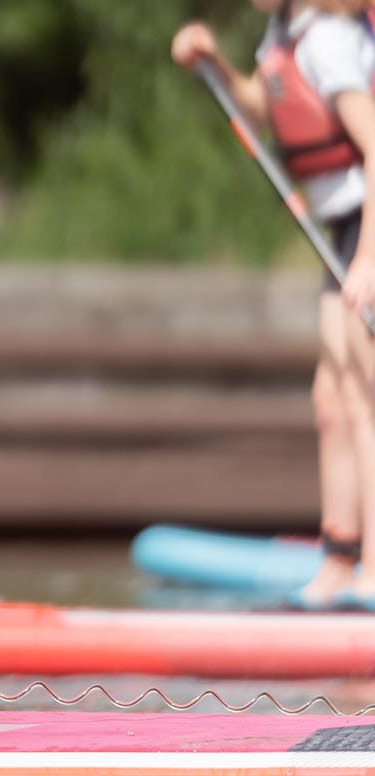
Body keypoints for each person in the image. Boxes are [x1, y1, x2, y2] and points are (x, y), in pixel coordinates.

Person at [172, 0, 375, 608]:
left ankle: (372, 571)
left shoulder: (329, 42)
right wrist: (214, 64)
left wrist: (369, 258)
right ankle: (339, 562)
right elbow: (262, 107)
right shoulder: (284, 34)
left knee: (365, 394)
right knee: (331, 398)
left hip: (364, 230)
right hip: (338, 228)